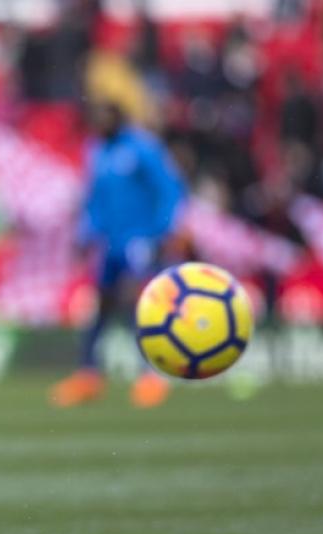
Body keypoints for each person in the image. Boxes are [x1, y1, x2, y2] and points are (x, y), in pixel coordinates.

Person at [50, 100, 184, 408]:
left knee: (143, 307)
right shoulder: (96, 150)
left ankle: (151, 375)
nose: (99, 122)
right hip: (109, 243)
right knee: (102, 307)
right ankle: (88, 375)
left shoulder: (142, 148)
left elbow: (168, 190)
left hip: (140, 240)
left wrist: (162, 231)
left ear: (118, 118)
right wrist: (86, 233)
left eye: (104, 116)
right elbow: (95, 198)